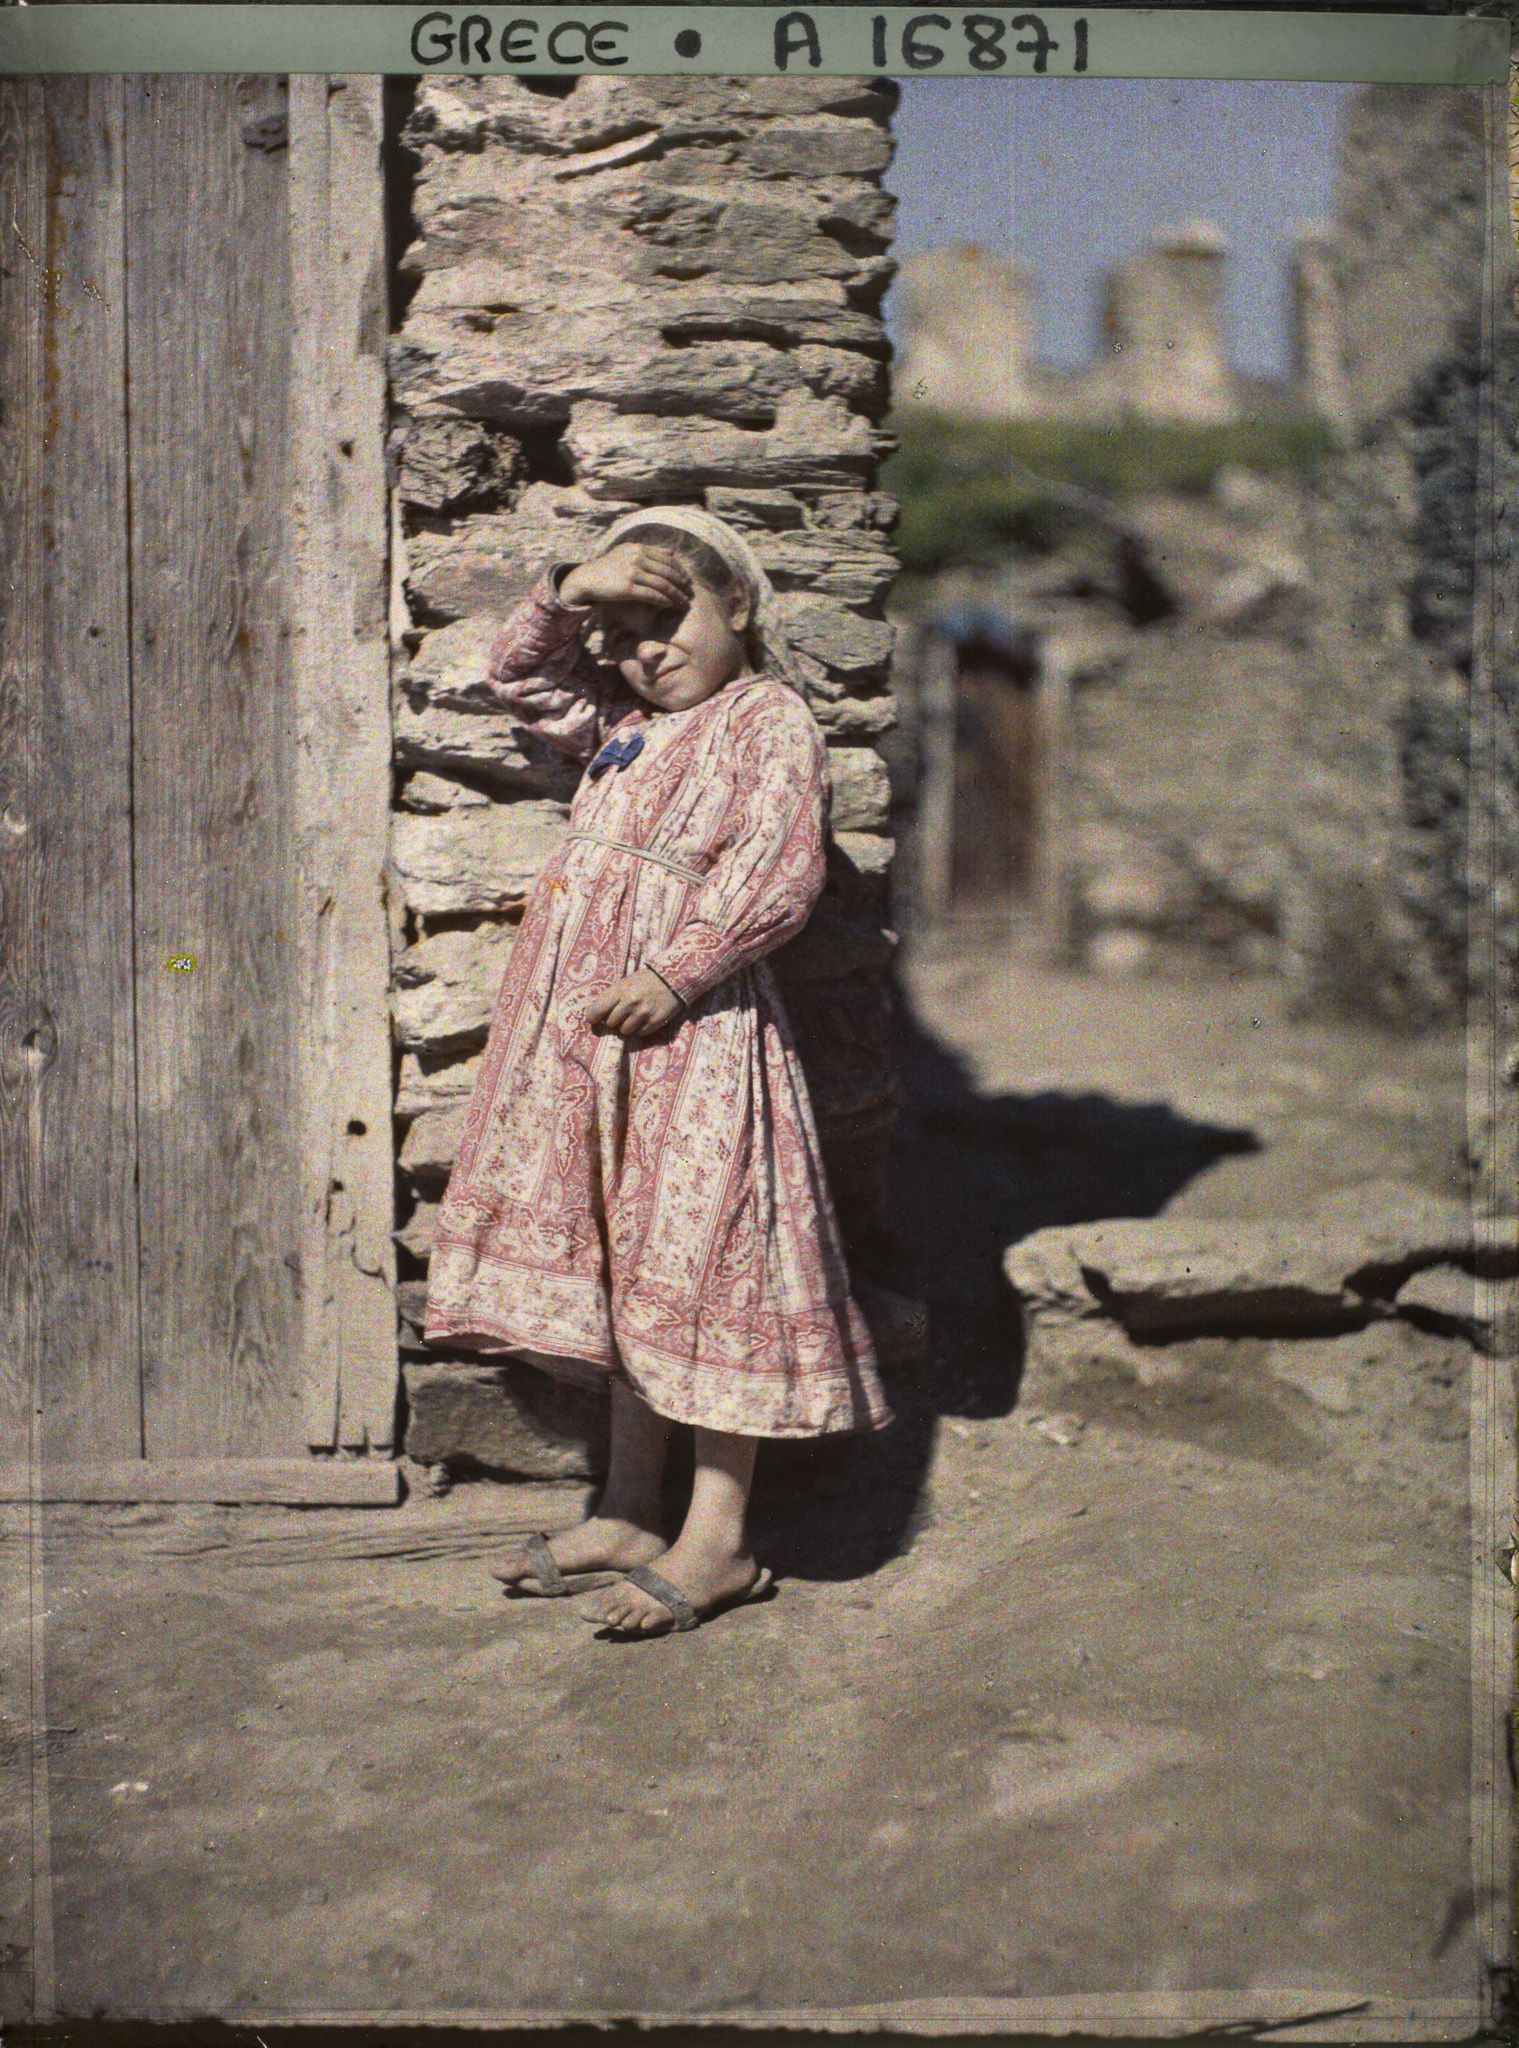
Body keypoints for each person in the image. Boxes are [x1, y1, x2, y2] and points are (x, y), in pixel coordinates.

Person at [422, 505, 893, 1639]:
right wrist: (569, 586)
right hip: (593, 1042)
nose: (647, 649)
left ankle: (718, 1537)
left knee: (702, 1258)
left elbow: (779, 871)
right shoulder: (623, 727)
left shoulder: (763, 719)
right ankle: (632, 1509)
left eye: (667, 620)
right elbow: (517, 670)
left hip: (696, 1032)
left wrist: (681, 973)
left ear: (736, 607)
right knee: (629, 1255)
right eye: (622, 632)